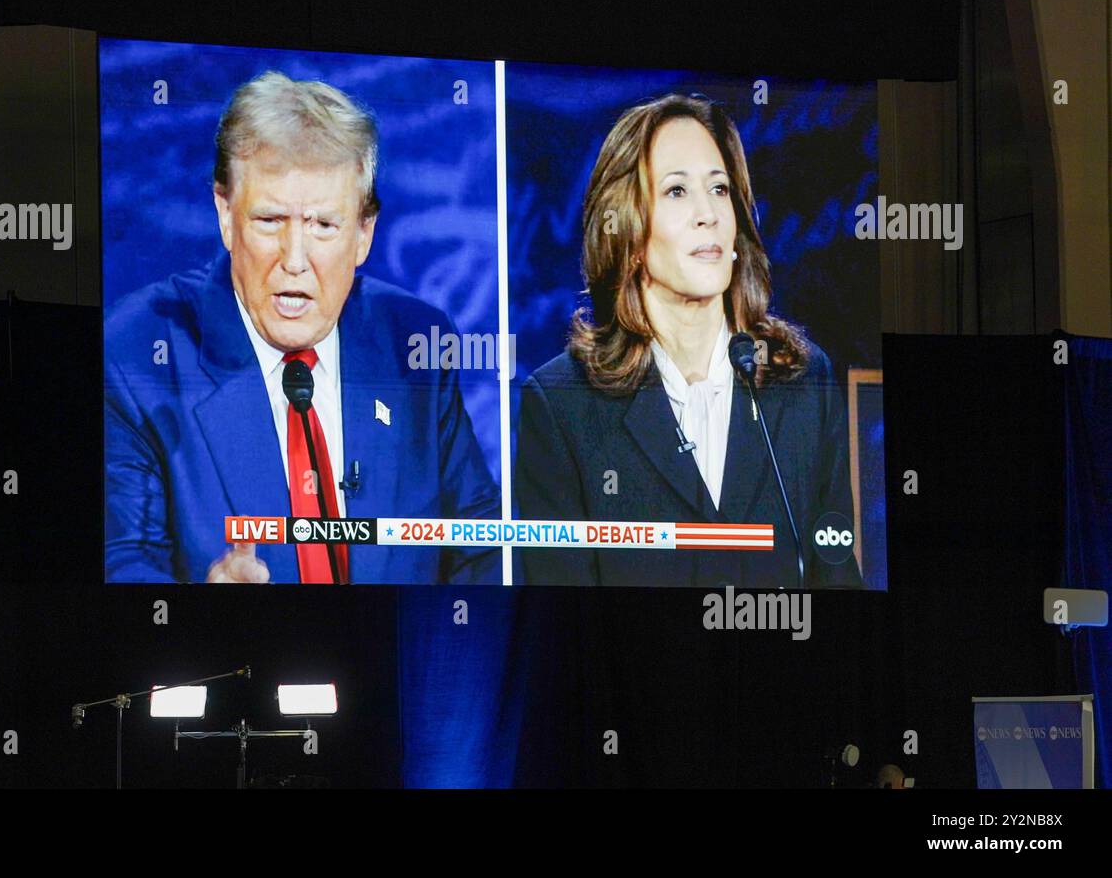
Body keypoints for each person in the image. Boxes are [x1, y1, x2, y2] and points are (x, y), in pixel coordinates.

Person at [105, 71, 499, 584]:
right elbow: (124, 562)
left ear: (363, 234)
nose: (295, 260)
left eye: (323, 225)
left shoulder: (414, 342)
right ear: (226, 214)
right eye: (270, 221)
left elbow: (479, 544)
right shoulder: (138, 354)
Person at [516, 92, 863, 588]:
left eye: (719, 190)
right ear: (628, 235)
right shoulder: (562, 406)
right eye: (677, 192)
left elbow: (837, 579)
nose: (709, 214)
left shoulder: (804, 382)